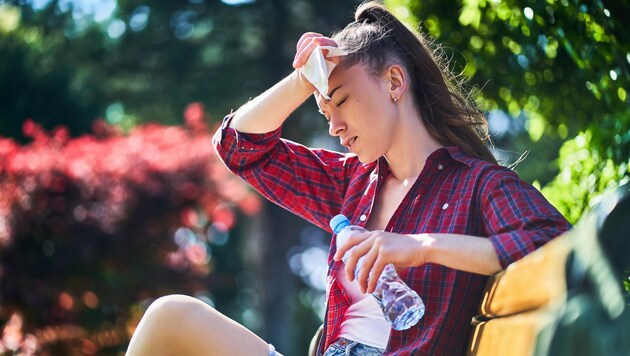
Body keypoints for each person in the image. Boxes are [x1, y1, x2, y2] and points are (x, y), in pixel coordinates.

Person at [126, 1, 571, 355]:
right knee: (170, 317)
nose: (334, 126)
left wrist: (422, 247)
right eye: (324, 110)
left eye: (341, 100)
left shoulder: (479, 186)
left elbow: (557, 247)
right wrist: (303, 80)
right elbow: (239, 147)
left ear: (395, 82)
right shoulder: (351, 183)